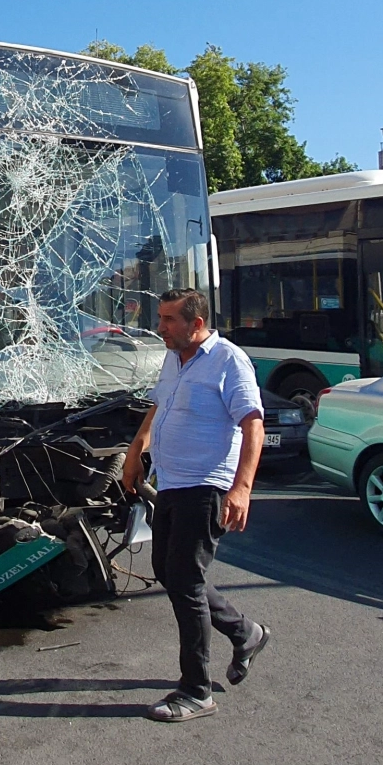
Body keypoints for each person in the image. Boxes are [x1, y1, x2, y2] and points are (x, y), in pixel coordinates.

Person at [121, 288, 270, 723]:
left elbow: (253, 424)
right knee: (168, 571)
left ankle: (196, 690)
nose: (160, 327)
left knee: (185, 581)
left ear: (196, 324)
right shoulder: (174, 356)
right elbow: (159, 405)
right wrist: (136, 450)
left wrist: (242, 488)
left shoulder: (228, 361)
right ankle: (246, 632)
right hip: (170, 481)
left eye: (168, 320)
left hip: (206, 486)